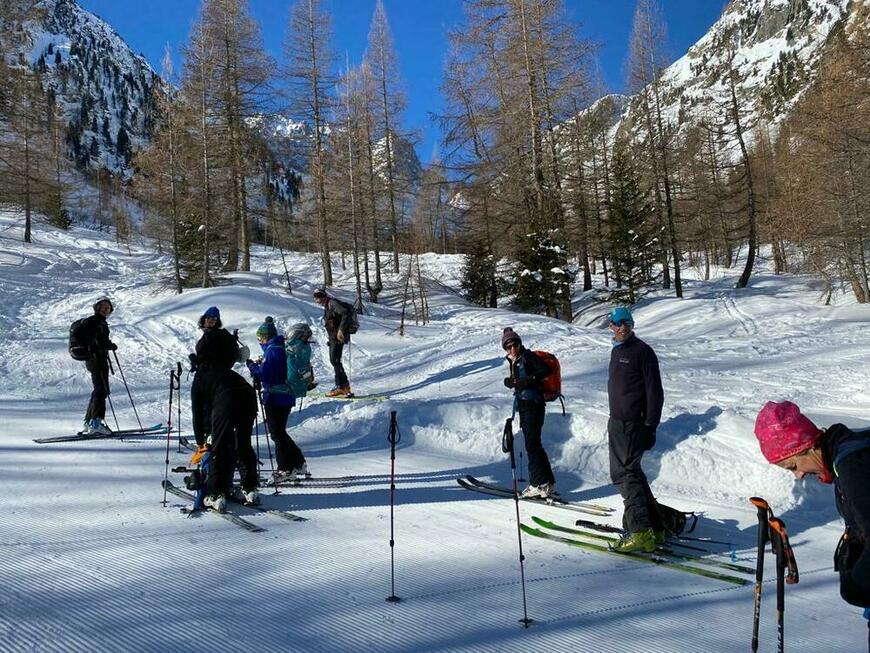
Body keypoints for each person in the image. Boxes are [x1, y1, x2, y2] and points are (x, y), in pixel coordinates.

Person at [755, 400, 870, 650]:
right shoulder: (848, 451)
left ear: (807, 446)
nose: (797, 475)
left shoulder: (851, 464)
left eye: (793, 465)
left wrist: (857, 586)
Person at [606, 306, 665, 553]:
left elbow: (655, 392)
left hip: (632, 425)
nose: (623, 327)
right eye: (618, 323)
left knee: (625, 475)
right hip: (617, 422)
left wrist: (650, 426)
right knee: (634, 474)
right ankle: (656, 526)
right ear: (611, 326)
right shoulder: (616, 351)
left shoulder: (642, 352)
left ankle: (639, 531)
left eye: (627, 322)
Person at [189, 306, 258, 511]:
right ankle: (250, 487)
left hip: (226, 398)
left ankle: (215, 493)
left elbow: (197, 410)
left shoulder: (202, 374)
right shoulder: (228, 368)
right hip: (246, 394)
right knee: (242, 443)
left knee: (219, 445)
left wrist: (201, 440)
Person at [247, 317, 308, 483]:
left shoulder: (273, 349)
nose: (259, 341)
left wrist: (252, 367)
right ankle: (298, 462)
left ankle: (285, 469)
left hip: (276, 396)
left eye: (260, 338)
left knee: (277, 434)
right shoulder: (281, 347)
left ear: (265, 337)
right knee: (280, 432)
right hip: (286, 395)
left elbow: (264, 374)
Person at [501, 327, 557, 499]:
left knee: (532, 445)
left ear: (520, 343)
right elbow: (520, 381)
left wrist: (526, 381)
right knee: (534, 444)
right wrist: (511, 382)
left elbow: (545, 370)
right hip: (525, 404)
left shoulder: (528, 356)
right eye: (508, 347)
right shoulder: (515, 360)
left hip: (533, 405)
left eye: (515, 344)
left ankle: (538, 484)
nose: (512, 349)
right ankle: (547, 482)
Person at [79, 297, 118, 435]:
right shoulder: (95, 322)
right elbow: (97, 342)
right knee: (102, 390)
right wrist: (109, 345)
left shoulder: (98, 322)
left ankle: (89, 421)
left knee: (99, 390)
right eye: (103, 307)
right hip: (96, 360)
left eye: (108, 307)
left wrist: (107, 344)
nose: (106, 309)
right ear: (97, 308)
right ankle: (95, 423)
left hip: (95, 359)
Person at [313, 288, 353, 397]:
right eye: (316, 297)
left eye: (319, 296)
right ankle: (343, 386)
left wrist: (341, 330)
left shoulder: (332, 303)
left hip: (338, 337)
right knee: (335, 361)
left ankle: (341, 386)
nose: (318, 300)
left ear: (324, 296)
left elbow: (345, 313)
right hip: (334, 337)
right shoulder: (327, 306)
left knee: (335, 361)